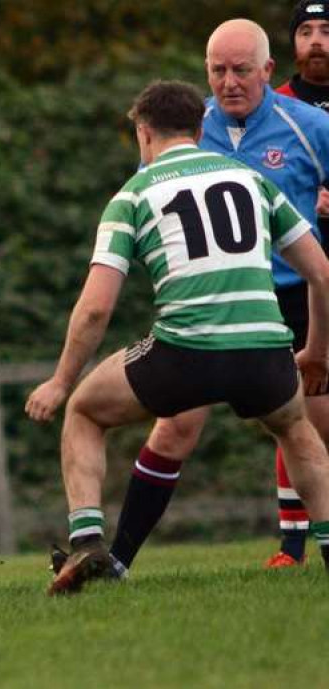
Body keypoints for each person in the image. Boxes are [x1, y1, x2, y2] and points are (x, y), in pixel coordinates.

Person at [27, 78, 329, 596]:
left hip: (184, 353)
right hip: (265, 350)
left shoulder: (135, 193)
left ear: (143, 133)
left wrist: (60, 380)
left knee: (84, 411)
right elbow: (321, 272)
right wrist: (317, 350)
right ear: (201, 127)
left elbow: (97, 307)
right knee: (297, 431)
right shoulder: (251, 180)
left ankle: (88, 541)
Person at [100, 18, 329, 577]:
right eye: (218, 71)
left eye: (241, 71)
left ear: (269, 71)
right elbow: (145, 202)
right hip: (211, 298)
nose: (229, 82)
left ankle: (307, 549)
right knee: (176, 426)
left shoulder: (311, 127)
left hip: (297, 297)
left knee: (317, 427)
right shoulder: (183, 127)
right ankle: (117, 562)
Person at [260, 1, 329, 568]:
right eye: (306, 31)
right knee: (299, 402)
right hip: (307, 281)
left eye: (326, 30)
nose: (316, 41)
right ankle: (292, 544)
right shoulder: (275, 108)